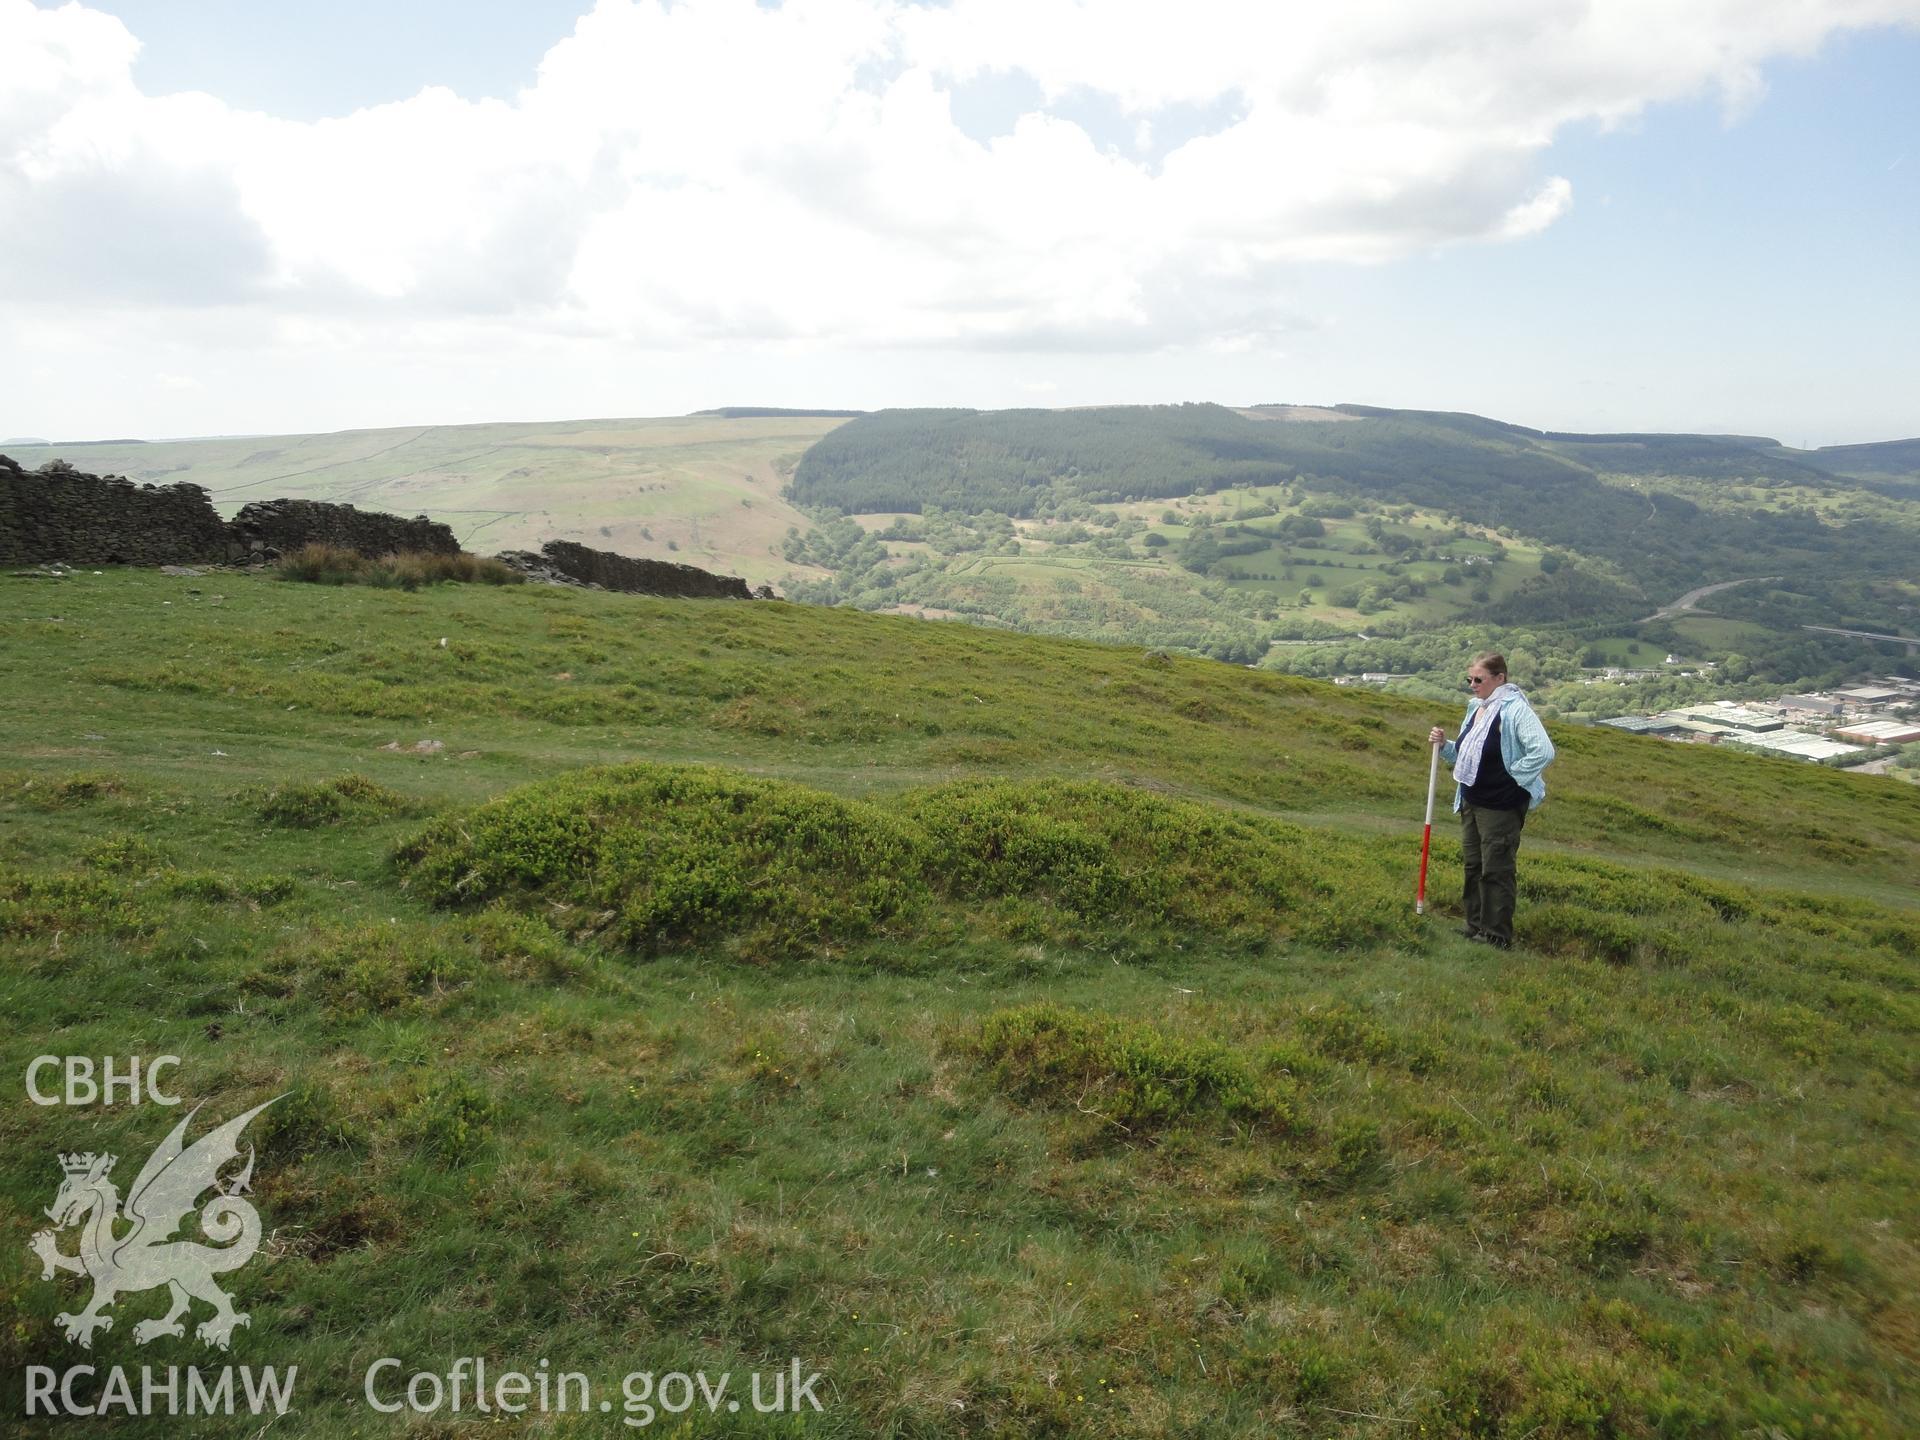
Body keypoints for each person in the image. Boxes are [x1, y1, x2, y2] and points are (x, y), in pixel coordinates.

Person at [1426, 652, 1554, 949]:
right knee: (1474, 865)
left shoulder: (1515, 710)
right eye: (1469, 679)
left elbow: (1543, 751)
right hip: (1471, 799)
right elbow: (1467, 755)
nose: (1472, 684)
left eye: (1478, 679)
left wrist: (1513, 777)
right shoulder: (1477, 708)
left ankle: (1496, 936)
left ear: (1500, 679)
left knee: (1496, 870)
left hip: (1500, 806)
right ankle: (1474, 927)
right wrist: (1444, 745)